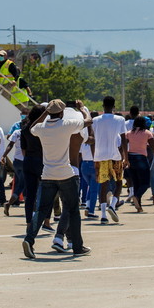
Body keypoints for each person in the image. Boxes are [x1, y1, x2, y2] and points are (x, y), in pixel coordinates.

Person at [22, 100, 92, 259]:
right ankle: (77, 246)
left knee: (41, 210)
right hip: (66, 173)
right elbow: (88, 121)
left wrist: (45, 113)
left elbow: (31, 127)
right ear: (61, 113)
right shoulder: (67, 124)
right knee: (73, 210)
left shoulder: (41, 128)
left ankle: (29, 239)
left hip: (47, 174)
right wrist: (81, 108)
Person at [92, 96, 126, 224]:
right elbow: (123, 139)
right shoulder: (120, 119)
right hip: (115, 155)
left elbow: (92, 138)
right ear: (114, 106)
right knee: (118, 183)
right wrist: (126, 157)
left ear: (103, 106)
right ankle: (113, 204)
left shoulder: (95, 120)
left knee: (103, 185)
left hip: (100, 156)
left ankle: (103, 215)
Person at [125, 117, 154, 213]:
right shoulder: (147, 133)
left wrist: (125, 158)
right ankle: (137, 196)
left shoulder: (129, 133)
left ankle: (139, 207)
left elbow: (123, 145)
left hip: (131, 157)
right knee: (146, 182)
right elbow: (153, 146)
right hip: (141, 158)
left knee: (136, 182)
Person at [21, 105, 45, 225]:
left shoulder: (25, 129)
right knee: (45, 192)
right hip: (40, 161)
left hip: (28, 160)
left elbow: (23, 150)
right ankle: (45, 221)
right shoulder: (42, 129)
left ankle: (29, 222)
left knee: (30, 195)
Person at [3, 121, 26, 216]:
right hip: (25, 162)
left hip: (17, 162)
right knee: (24, 185)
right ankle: (9, 203)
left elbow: (10, 145)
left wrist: (4, 155)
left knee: (21, 184)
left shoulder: (16, 133)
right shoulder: (28, 133)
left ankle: (9, 203)